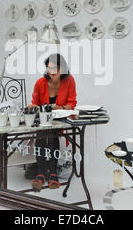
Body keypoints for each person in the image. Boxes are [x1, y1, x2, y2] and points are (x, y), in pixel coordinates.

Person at [28, 53, 77, 191]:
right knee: (41, 137)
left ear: (63, 68)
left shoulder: (69, 80)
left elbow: (72, 103)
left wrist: (59, 108)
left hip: (59, 119)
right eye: (49, 68)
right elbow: (34, 103)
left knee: (53, 136)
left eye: (54, 68)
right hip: (43, 120)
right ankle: (42, 173)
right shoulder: (40, 82)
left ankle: (52, 172)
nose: (51, 72)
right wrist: (34, 107)